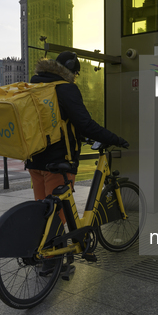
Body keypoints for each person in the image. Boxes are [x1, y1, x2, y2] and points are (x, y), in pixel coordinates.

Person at [25, 51, 128, 202]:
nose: (75, 77)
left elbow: (54, 122)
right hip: (58, 163)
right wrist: (115, 139)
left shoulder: (35, 86)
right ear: (70, 69)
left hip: (34, 160)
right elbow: (85, 124)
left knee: (42, 212)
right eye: (76, 73)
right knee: (57, 216)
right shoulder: (66, 88)